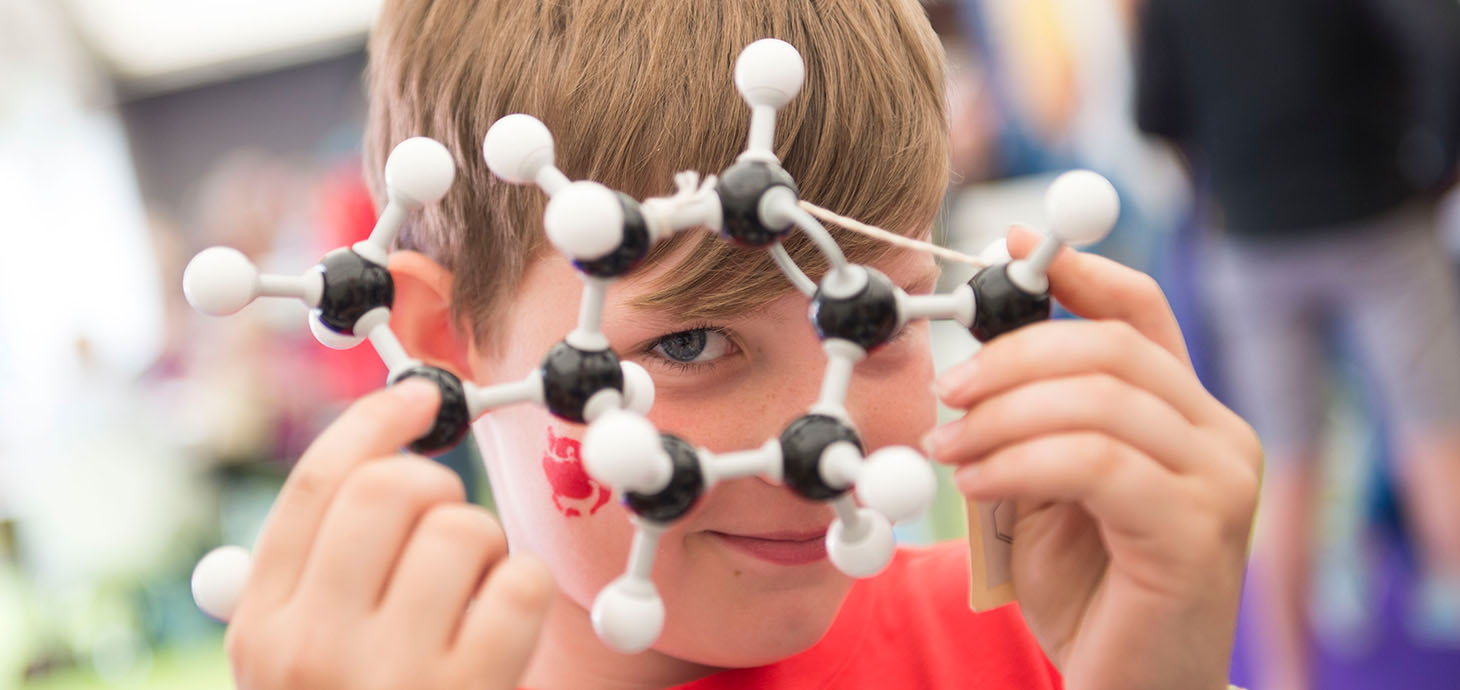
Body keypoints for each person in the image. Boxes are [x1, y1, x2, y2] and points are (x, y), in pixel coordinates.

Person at [218, 1, 1261, 688]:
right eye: (690, 343)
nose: (825, 441)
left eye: (878, 320)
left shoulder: (1043, 642)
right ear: (438, 346)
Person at [1134, 0, 1460, 688]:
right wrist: (1436, 164)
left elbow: (1154, 113)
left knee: (1285, 467)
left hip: (1254, 236)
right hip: (1378, 216)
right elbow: (1438, 38)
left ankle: (1285, 679)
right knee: (1435, 441)